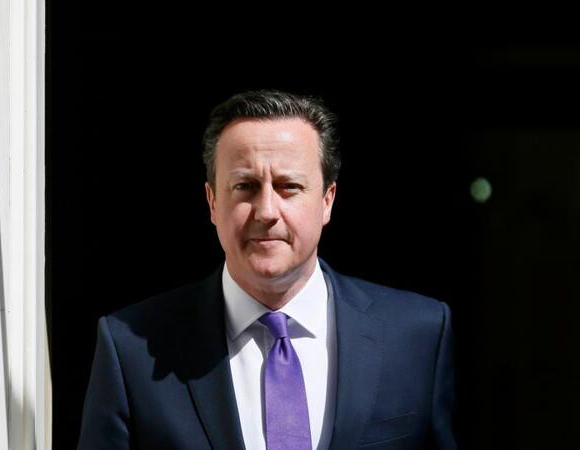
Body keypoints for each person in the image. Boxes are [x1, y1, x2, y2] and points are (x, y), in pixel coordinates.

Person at [78, 90, 456, 450]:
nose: (267, 212)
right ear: (212, 202)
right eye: (245, 186)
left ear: (327, 200)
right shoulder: (131, 348)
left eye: (289, 186)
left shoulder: (416, 336)